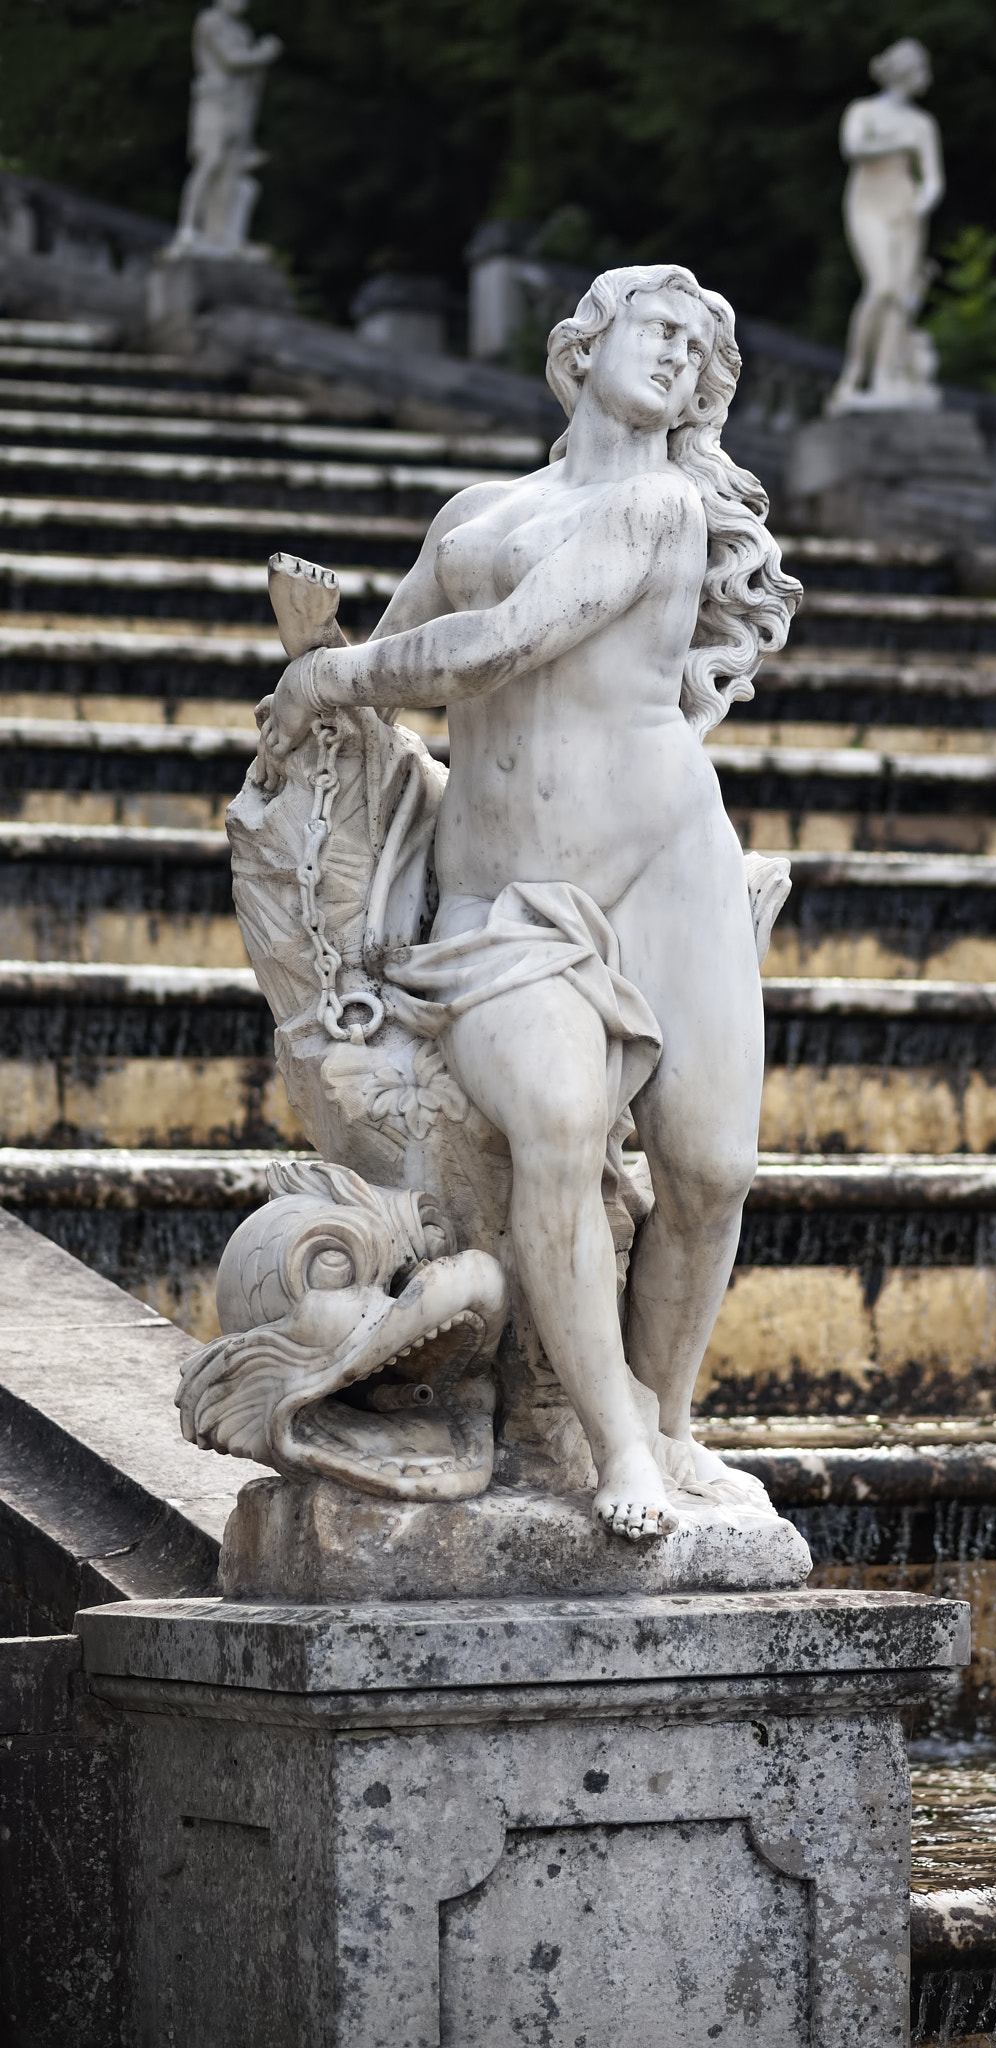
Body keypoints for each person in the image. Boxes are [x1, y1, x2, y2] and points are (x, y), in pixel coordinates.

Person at [259, 266, 801, 1541]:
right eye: (658, 329)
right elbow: (386, 683)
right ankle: (614, 1446)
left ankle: (668, 1419)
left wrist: (331, 669)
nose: (678, 357)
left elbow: (499, 645)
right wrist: (313, 655)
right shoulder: (474, 512)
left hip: (668, 864)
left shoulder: (664, 504)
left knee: (713, 1170)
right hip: (501, 896)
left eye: (701, 351)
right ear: (583, 344)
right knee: (557, 1123)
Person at [830, 37, 946, 411]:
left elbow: (933, 178)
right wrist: (898, 140)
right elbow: (853, 148)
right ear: (905, 72)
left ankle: (884, 381)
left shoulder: (922, 124)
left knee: (901, 299)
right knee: (880, 287)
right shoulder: (863, 111)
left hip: (905, 209)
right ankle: (852, 374)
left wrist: (923, 203)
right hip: (868, 205)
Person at [173, 0, 282, 254]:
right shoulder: (210, 21)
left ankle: (222, 235)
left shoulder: (242, 30)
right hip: (215, 102)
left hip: (238, 105)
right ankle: (188, 228)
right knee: (211, 161)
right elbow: (231, 60)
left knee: (232, 171)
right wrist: (263, 54)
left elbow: (251, 79)